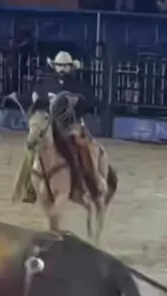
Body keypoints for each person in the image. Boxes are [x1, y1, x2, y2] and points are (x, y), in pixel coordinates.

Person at [31, 50, 103, 199]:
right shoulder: (46, 85)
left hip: (73, 126)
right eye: (59, 66)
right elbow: (36, 101)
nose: (62, 69)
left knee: (84, 149)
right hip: (50, 126)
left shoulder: (80, 86)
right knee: (32, 147)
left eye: (65, 66)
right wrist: (33, 100)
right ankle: (29, 186)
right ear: (55, 67)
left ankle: (89, 183)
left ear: (71, 68)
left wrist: (78, 101)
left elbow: (93, 102)